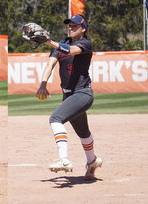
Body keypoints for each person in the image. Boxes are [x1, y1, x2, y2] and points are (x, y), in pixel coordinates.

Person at [36, 14, 102, 180]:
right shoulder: (61, 43)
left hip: (83, 93)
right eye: (70, 25)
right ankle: (92, 161)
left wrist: (49, 41)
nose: (71, 28)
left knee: (55, 118)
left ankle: (64, 159)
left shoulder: (85, 43)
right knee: (83, 132)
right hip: (68, 95)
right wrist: (43, 84)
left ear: (83, 29)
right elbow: (50, 64)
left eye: (75, 26)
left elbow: (72, 50)